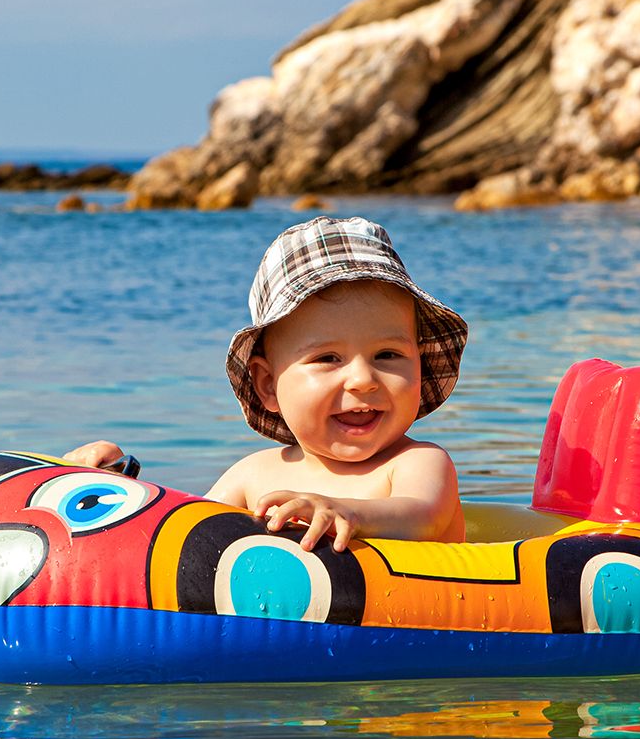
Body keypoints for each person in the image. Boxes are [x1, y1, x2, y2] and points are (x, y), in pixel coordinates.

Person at [65, 216, 468, 551]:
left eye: (388, 355)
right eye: (328, 358)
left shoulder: (418, 463)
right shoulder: (253, 474)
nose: (363, 379)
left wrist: (347, 512)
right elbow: (180, 539)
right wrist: (113, 484)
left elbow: (423, 517)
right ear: (268, 385)